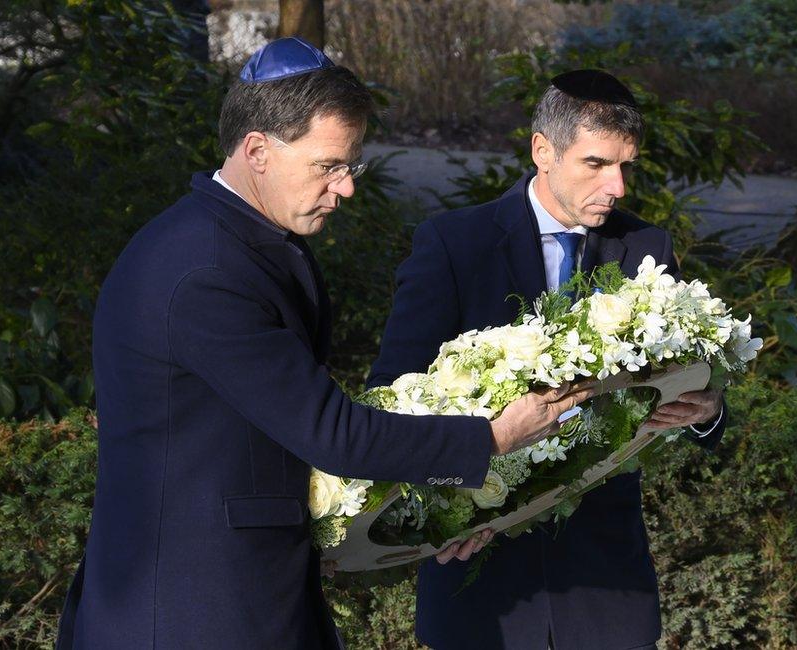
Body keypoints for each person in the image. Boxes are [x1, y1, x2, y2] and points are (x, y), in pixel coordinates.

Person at [54, 38, 592, 650]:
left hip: (241, 592)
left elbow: (268, 441)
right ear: (257, 149)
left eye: (351, 167)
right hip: (193, 610)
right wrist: (494, 436)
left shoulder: (231, 240)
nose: (347, 189)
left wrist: (427, 519)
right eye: (328, 166)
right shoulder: (205, 269)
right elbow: (331, 434)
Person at [367, 70, 726, 650]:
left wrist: (706, 407)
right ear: (542, 150)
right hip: (479, 577)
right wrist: (441, 510)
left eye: (626, 166)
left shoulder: (646, 248)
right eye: (596, 164)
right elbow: (391, 395)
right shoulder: (453, 244)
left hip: (606, 580)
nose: (618, 186)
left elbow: (690, 387)